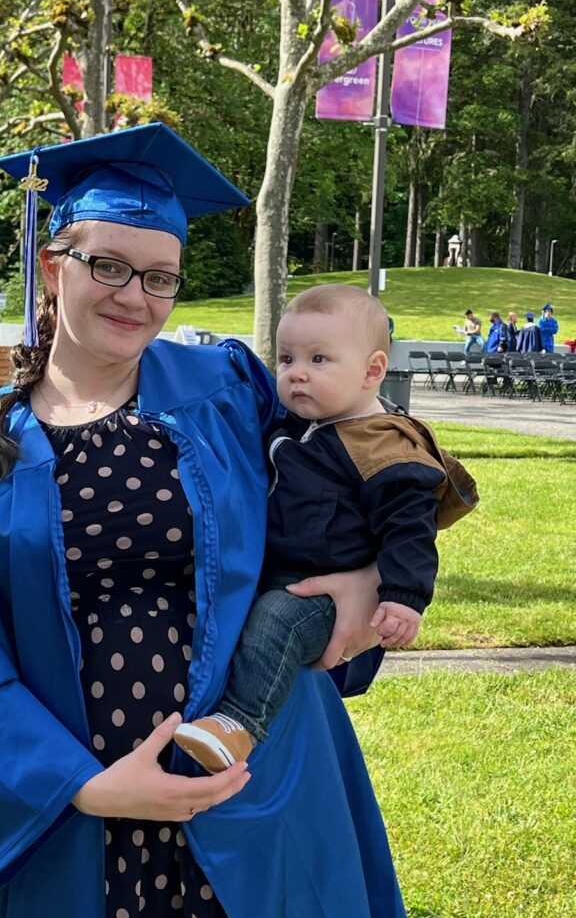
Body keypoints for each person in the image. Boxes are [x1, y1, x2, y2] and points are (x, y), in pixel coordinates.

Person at [0, 123, 434, 918]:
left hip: (260, 779)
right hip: (84, 814)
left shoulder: (230, 388)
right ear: (53, 264)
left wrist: (369, 578)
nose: (134, 296)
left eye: (160, 276)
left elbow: (378, 463)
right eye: (108, 265)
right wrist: (85, 785)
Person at [174, 286, 478, 772]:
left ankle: (238, 725)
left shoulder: (382, 447)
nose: (297, 373)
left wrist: (403, 596)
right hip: (282, 570)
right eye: (287, 358)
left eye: (318, 359)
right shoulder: (303, 424)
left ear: (372, 372)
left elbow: (409, 528)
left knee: (277, 621)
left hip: (323, 593)